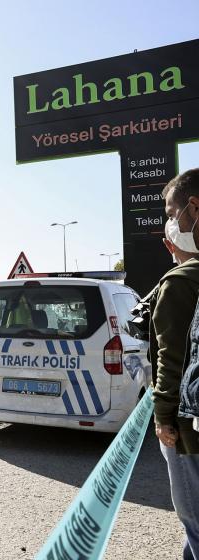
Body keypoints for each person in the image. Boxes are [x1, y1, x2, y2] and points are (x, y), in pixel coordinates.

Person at [152, 168, 199, 560]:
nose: (170, 223)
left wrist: (163, 417)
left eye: (172, 213)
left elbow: (172, 357)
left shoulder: (180, 282)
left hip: (189, 429)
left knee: (195, 521)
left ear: (193, 208)